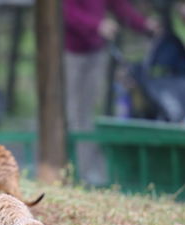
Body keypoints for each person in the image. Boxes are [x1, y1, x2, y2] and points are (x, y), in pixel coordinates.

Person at [63, 0, 160, 184]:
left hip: (96, 51)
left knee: (90, 114)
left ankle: (89, 171)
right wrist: (96, 25)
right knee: (74, 114)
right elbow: (66, 13)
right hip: (71, 52)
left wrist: (144, 24)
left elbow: (119, 6)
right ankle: (72, 170)